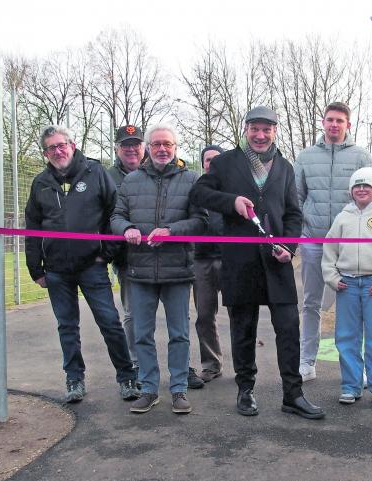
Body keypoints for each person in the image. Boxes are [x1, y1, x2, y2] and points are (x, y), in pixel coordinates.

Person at [190, 105, 325, 420]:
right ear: (246, 129)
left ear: (275, 131)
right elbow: (199, 194)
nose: (261, 135)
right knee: (243, 329)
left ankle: (293, 395)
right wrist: (231, 202)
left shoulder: (285, 167)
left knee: (289, 328)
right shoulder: (225, 163)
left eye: (267, 129)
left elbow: (293, 213)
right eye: (255, 129)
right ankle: (245, 391)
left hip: (277, 263)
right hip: (240, 263)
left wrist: (289, 247)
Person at [25, 125, 140, 404]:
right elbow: (32, 226)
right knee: (67, 326)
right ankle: (74, 378)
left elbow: (116, 213)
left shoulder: (95, 172)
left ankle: (126, 377)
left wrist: (107, 253)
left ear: (72, 145)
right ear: (45, 153)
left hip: (92, 265)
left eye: (62, 145)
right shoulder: (41, 182)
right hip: (56, 270)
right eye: (52, 148)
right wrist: (36, 269)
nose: (58, 151)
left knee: (109, 322)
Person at [111, 124, 206, 414]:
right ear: (148, 149)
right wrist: (125, 228)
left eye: (167, 144)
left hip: (177, 270)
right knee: (142, 334)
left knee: (179, 333)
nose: (162, 149)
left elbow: (201, 221)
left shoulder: (192, 180)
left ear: (175, 148)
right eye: (156, 144)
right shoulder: (131, 181)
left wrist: (171, 231)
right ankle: (149, 388)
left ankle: (178, 389)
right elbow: (116, 215)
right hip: (139, 270)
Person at [294, 102, 372, 382]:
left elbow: (370, 201)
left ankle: (356, 368)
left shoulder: (361, 157)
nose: (334, 125)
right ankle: (307, 361)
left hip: (349, 245)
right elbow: (297, 197)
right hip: (313, 241)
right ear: (323, 122)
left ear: (348, 125)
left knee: (352, 306)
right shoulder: (305, 157)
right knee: (311, 303)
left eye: (340, 120)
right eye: (329, 120)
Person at [322, 167, 372, 407]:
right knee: (346, 337)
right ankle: (351, 385)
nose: (361, 189)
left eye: (366, 185)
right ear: (351, 190)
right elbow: (329, 250)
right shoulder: (343, 217)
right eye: (357, 186)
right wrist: (332, 277)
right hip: (346, 285)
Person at [107, 124, 146, 373]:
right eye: (125, 145)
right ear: (117, 148)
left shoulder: (160, 170)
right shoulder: (106, 176)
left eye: (135, 144)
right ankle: (137, 363)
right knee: (133, 313)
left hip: (165, 255)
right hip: (127, 257)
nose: (131, 149)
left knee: (178, 317)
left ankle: (182, 367)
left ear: (143, 147)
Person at [189, 145, 226, 386]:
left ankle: (246, 365)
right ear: (202, 163)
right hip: (201, 260)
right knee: (204, 315)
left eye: (216, 160)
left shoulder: (234, 188)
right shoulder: (196, 189)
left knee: (240, 313)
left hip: (229, 259)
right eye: (207, 160)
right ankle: (211, 365)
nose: (211, 164)